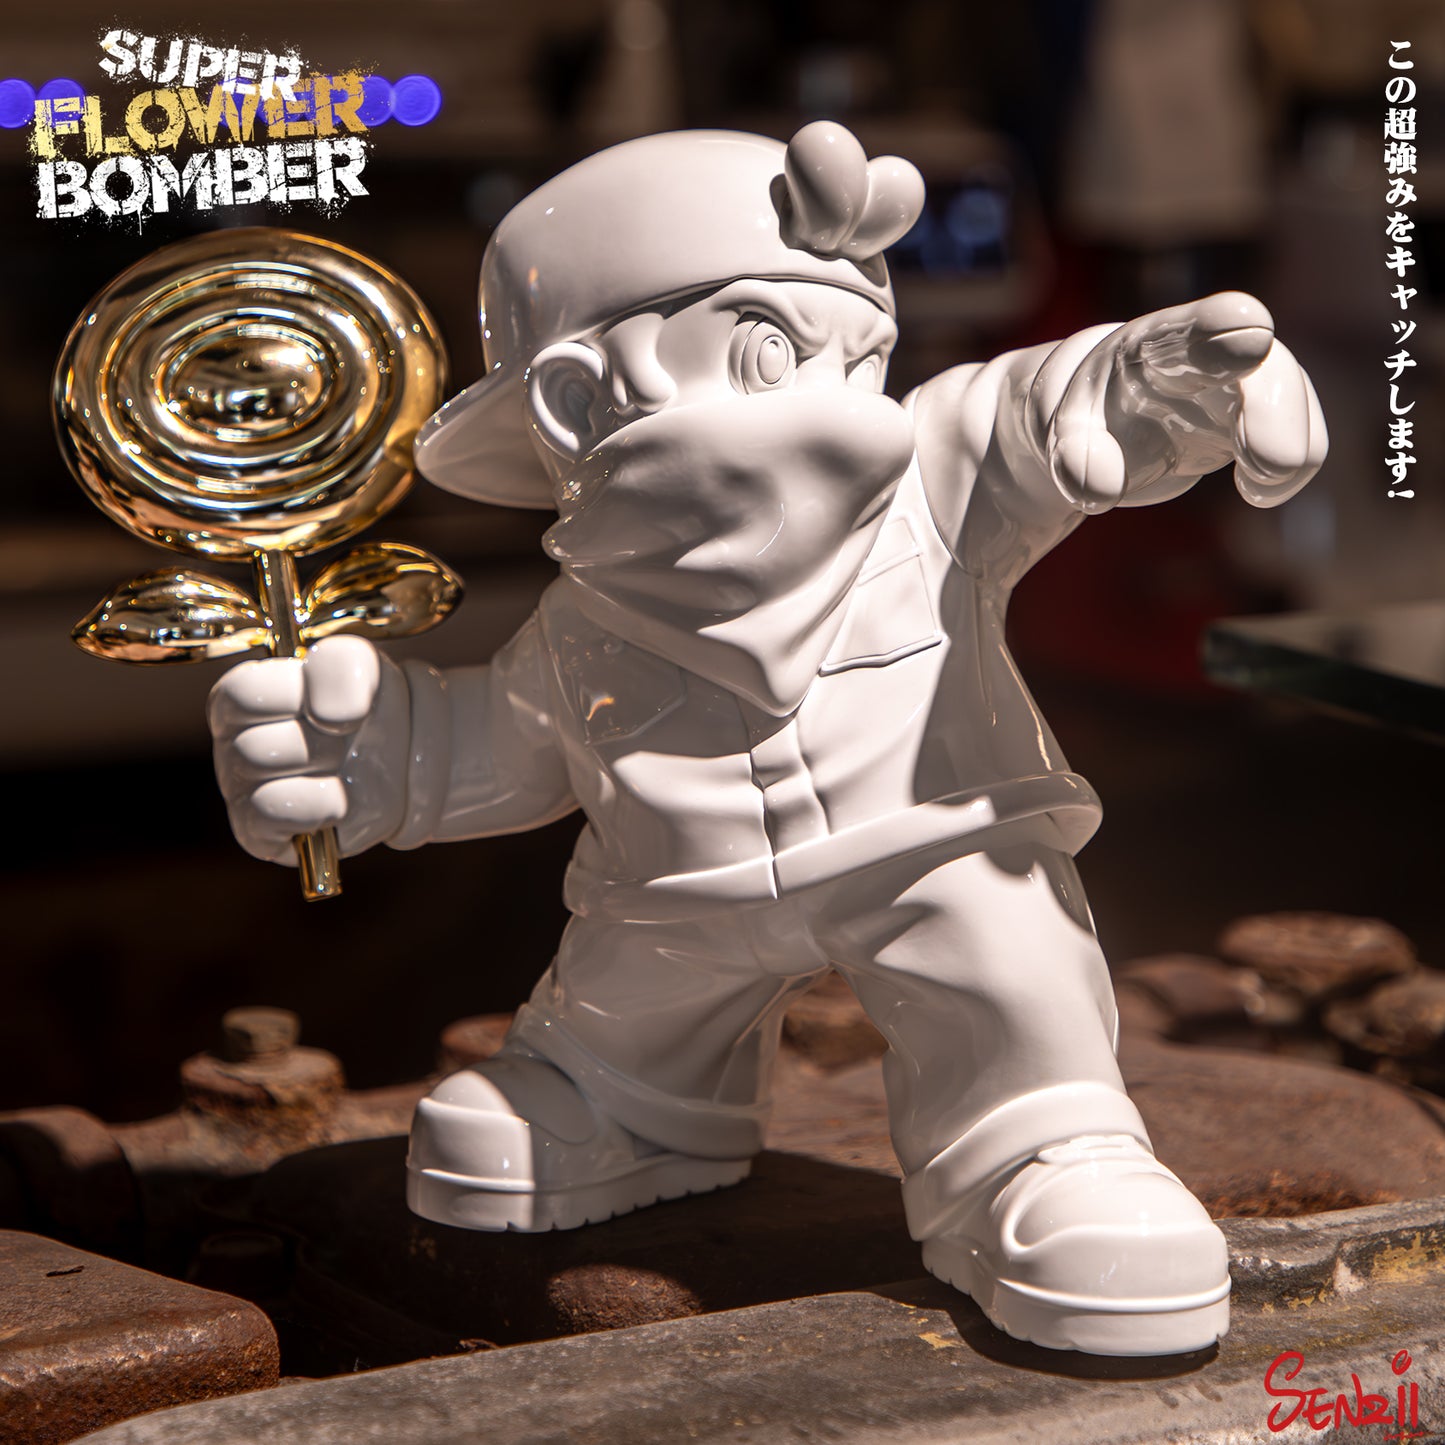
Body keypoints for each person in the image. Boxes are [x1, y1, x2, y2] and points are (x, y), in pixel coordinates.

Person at [207, 122, 1326, 1356]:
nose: (853, 412)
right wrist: (372, 755)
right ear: (577, 405)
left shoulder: (932, 491)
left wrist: (1141, 385)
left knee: (1008, 977)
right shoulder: (578, 629)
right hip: (669, 895)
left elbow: (1024, 411)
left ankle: (1040, 1147)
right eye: (770, 351)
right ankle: (627, 1104)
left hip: (932, 852)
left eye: (864, 363)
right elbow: (500, 748)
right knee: (619, 1005)